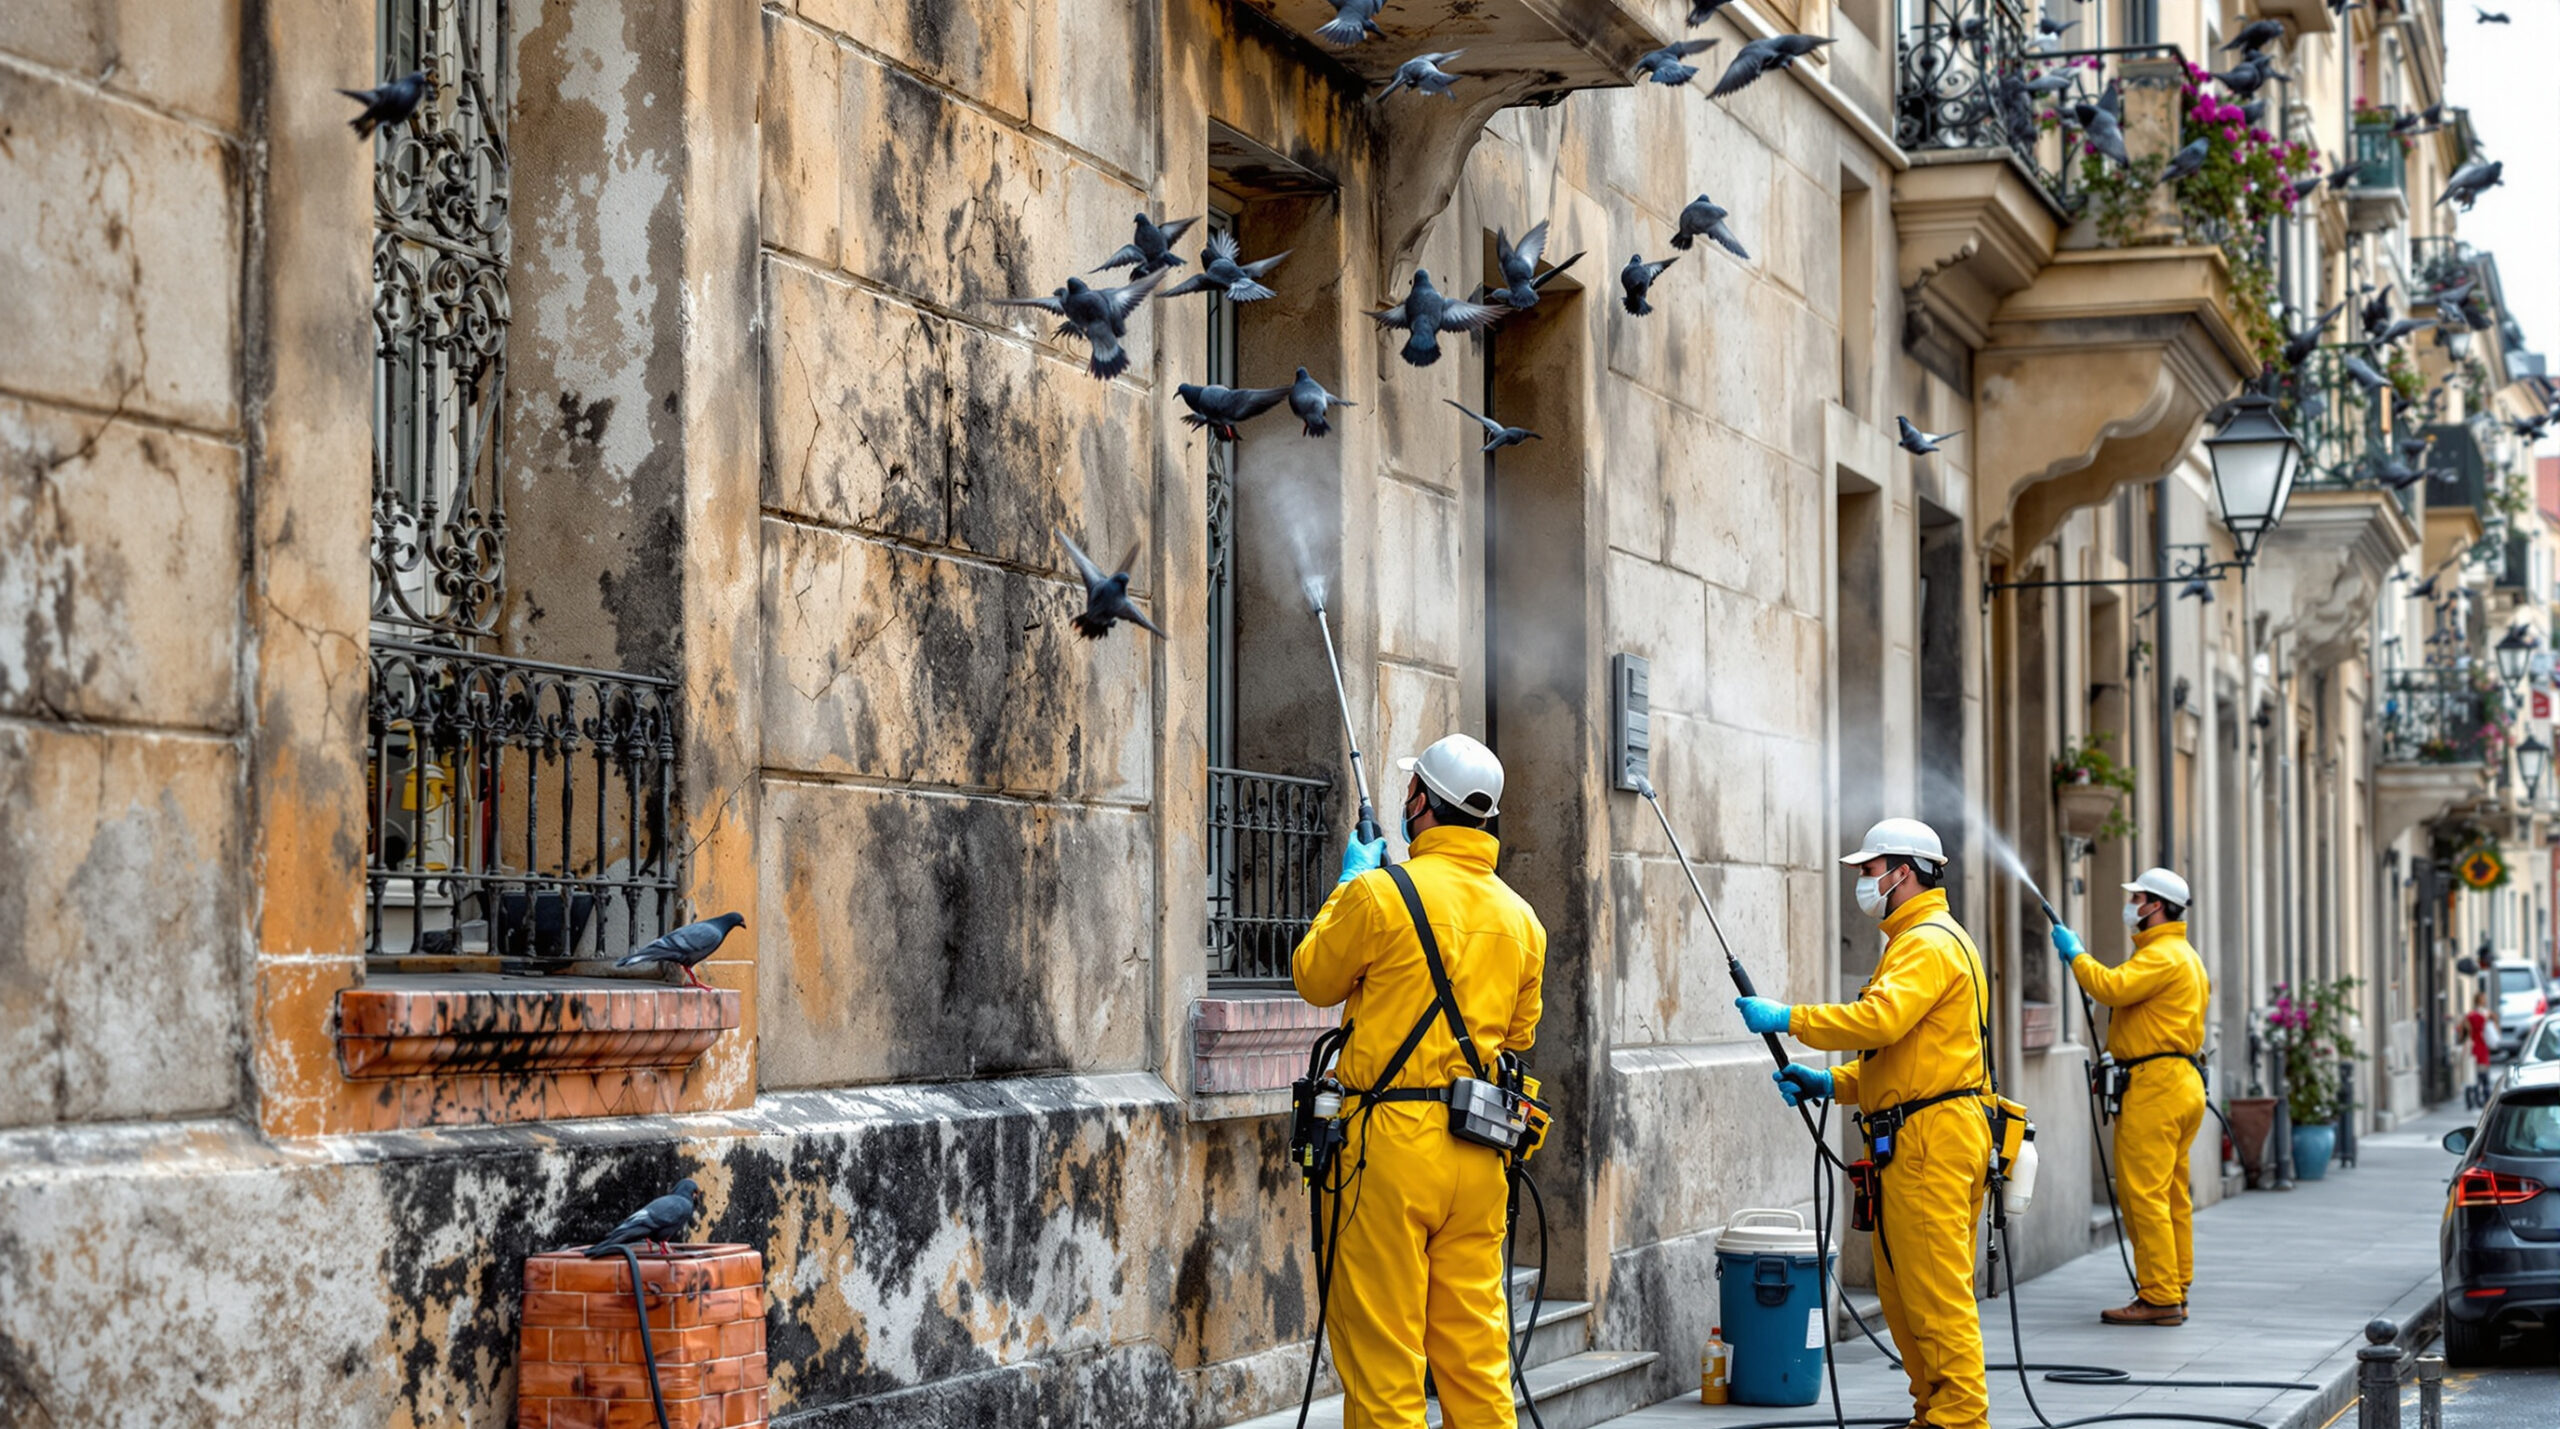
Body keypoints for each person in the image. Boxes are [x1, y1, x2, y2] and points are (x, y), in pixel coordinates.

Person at [1292, 733, 1547, 1428]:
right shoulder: (1523, 920)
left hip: (1391, 1152)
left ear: (1420, 802)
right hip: (1478, 1151)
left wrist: (1348, 885)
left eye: (1410, 791)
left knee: (1385, 1367)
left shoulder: (1380, 894)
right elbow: (1518, 1034)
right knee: (1477, 1363)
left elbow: (1313, 976)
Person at [1736, 818, 1995, 1429]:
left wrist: (1788, 1017)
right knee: (1906, 1295)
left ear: (1904, 871)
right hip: (1918, 1134)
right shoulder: (1916, 940)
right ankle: (1932, 1411)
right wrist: (1832, 1084)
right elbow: (1901, 1059)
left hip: (1933, 1140)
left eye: (1870, 870)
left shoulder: (1928, 942)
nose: (1862, 880)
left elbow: (1878, 1021)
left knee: (1934, 1293)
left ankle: (1960, 1418)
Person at [2054, 868, 2210, 1326]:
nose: (2132, 906)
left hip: (2156, 1085)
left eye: (2137, 898)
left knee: (2144, 1193)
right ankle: (2174, 1285)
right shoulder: (2185, 955)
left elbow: (2109, 988)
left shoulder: (2162, 955)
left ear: (2155, 906)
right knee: (2171, 1194)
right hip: (2180, 1082)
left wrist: (2077, 955)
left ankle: (2159, 1296)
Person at [2464, 989, 2495, 1109]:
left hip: (2473, 1046)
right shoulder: (2486, 1015)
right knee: (2483, 1075)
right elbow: (2491, 1030)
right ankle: (2484, 1098)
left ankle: (2475, 1098)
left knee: (2474, 1074)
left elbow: (2464, 1030)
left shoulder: (2470, 1015)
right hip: (2481, 1046)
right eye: (2484, 998)